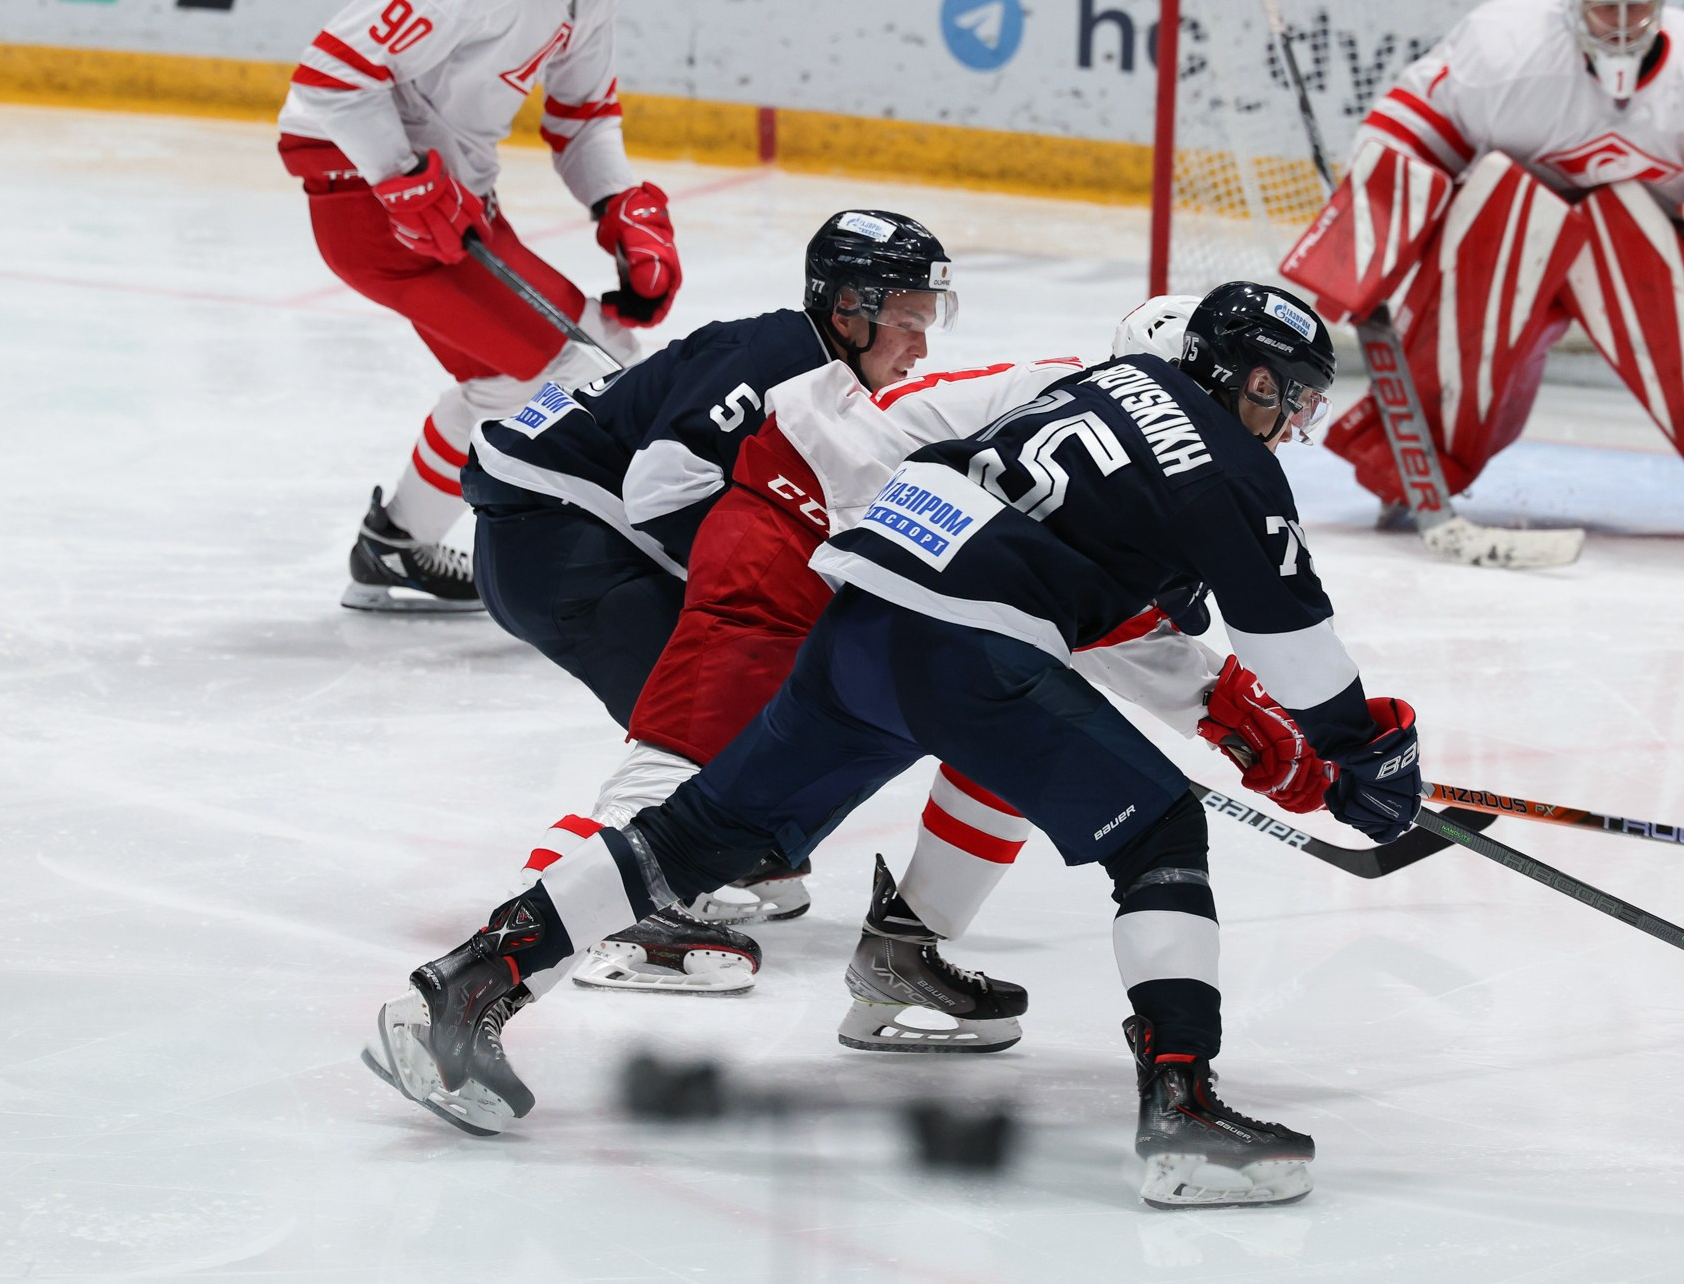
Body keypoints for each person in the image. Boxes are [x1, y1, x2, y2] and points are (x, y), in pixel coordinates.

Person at [363, 283, 1425, 1212]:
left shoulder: (1083, 390)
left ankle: (466, 984)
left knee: (709, 829)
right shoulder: (1223, 463)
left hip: (862, 611)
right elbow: (1289, 638)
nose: (1289, 421)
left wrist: (1257, 723)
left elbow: (1085, 588)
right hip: (902, 602)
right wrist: (1355, 753)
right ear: (1241, 378)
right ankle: (1184, 1106)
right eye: (1285, 394)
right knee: (1159, 829)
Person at [520, 293, 1223, 1059]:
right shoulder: (1058, 403)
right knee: (691, 748)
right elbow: (880, 440)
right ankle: (545, 920)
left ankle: (903, 951)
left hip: (896, 576)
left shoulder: (1168, 469)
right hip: (793, 529)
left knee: (1015, 737)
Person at [465, 209, 995, 1001]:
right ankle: (597, 907)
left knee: (771, 693)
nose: (921, 346)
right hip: (557, 542)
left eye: (930, 321)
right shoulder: (785, 361)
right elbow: (660, 489)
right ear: (847, 307)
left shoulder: (812, 368)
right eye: (907, 320)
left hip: (559, 535)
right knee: (710, 720)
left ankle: (723, 849)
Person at [1281, 0, 1684, 544]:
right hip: (1511, 239)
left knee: (1622, 221)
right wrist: (1365, 236)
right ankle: (1414, 469)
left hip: (1649, 259)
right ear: (1569, 1)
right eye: (1605, 8)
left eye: (1637, 7)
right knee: (1501, 195)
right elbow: (1408, 139)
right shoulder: (1504, 45)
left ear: (1662, 4)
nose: (1622, 24)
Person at [276, 0, 682, 612]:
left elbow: (581, 115)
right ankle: (604, 569)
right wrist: (398, 175)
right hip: (372, 206)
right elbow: (330, 76)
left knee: (529, 374)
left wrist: (619, 206)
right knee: (584, 370)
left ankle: (397, 545)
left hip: (446, 206)